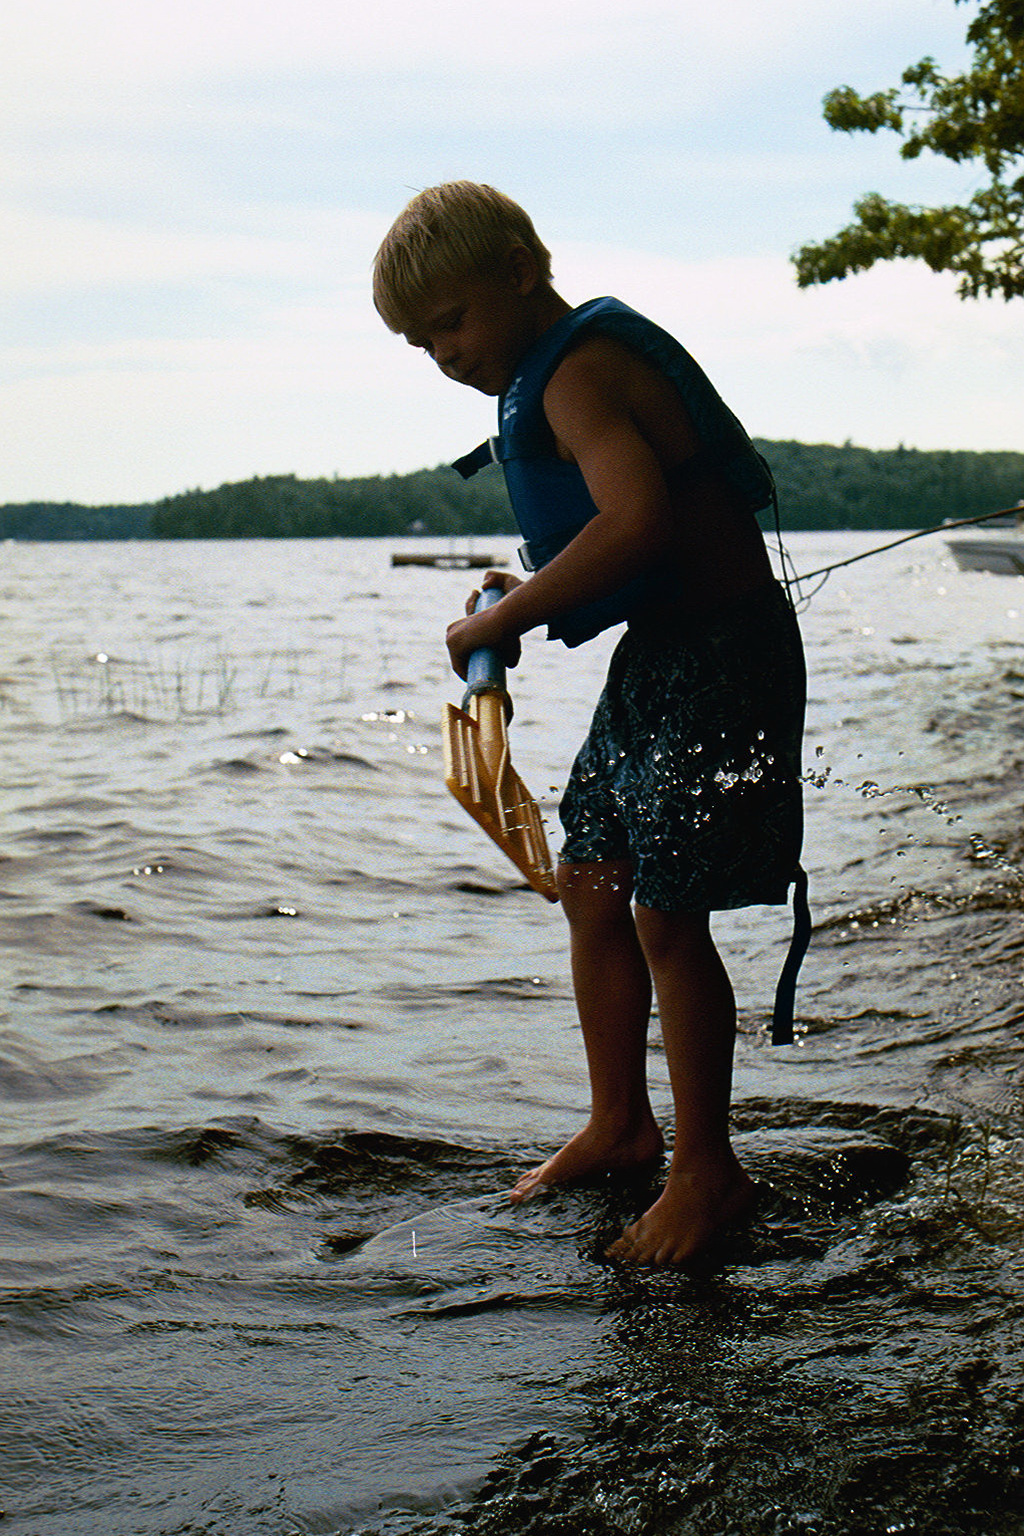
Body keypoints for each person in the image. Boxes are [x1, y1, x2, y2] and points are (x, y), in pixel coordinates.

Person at [373, 182, 806, 1266]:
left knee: (665, 910)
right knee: (594, 879)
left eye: (452, 323)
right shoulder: (547, 378)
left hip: (722, 653)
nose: (444, 355)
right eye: (422, 344)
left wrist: (509, 615)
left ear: (520, 274)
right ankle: (620, 1124)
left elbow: (638, 519)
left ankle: (707, 1172)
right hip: (661, 652)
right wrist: (517, 590)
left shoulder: (577, 372)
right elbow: (604, 537)